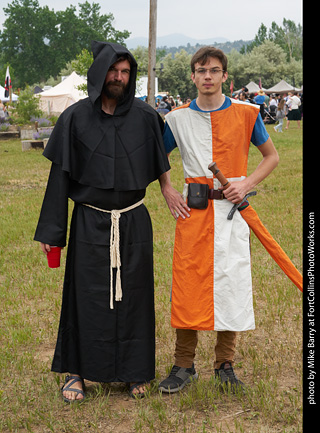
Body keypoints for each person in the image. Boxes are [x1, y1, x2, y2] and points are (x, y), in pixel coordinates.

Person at [34, 41, 170, 402]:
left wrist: (170, 191)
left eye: (125, 72)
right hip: (89, 223)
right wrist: (52, 231)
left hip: (133, 222)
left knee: (135, 298)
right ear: (100, 72)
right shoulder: (75, 118)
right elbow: (59, 179)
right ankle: (76, 373)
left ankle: (136, 372)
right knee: (86, 296)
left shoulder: (145, 117)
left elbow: (160, 165)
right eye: (113, 70)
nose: (119, 78)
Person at [159, 46, 279, 393]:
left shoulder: (247, 113)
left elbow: (270, 157)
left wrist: (246, 183)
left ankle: (225, 363)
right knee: (188, 284)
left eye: (214, 70)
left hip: (231, 213)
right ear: (193, 76)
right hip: (193, 213)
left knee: (232, 283)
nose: (207, 76)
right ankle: (183, 365)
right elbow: (157, 158)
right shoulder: (177, 118)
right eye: (201, 70)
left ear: (225, 75)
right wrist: (168, 188)